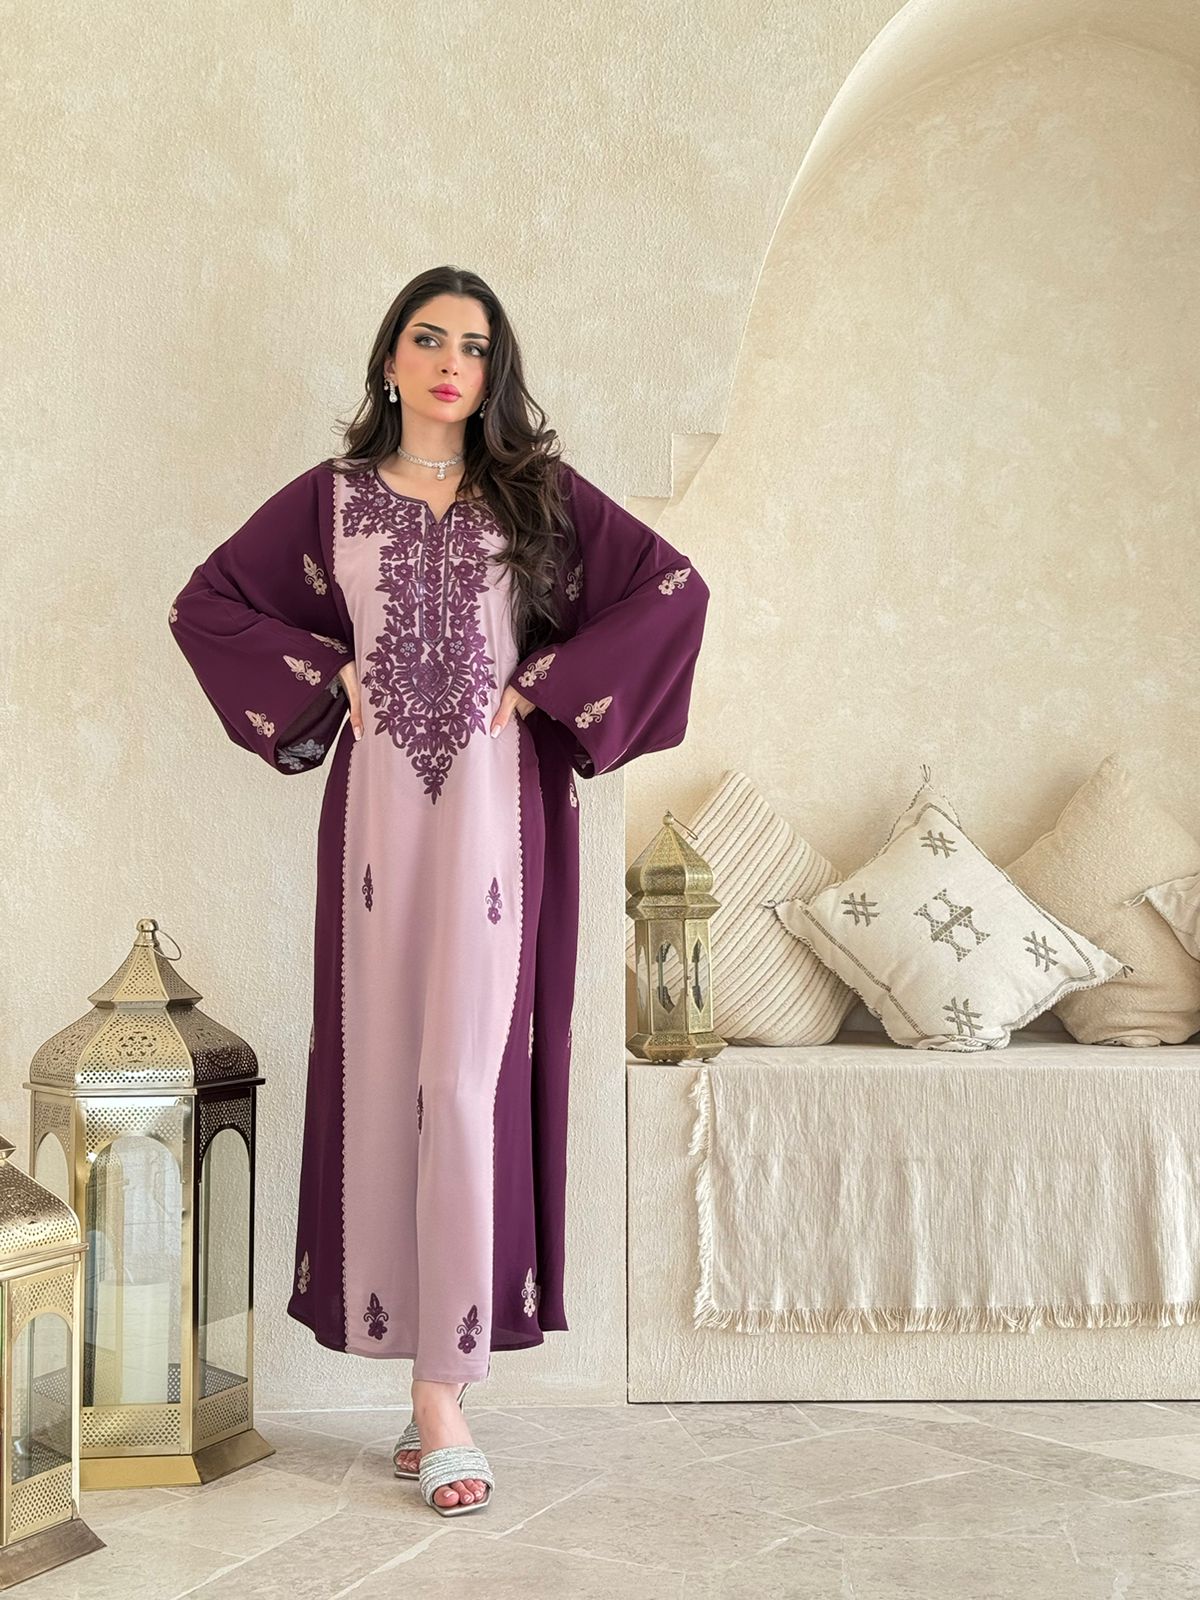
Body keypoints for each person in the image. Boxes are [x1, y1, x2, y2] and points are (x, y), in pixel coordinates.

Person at [169, 265, 710, 1516]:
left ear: (492, 370)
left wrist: (544, 684)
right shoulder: (332, 502)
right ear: (392, 360)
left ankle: (442, 1391)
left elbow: (672, 592)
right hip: (378, 828)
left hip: (493, 826)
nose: (451, 361)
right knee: (382, 1068)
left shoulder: (537, 501)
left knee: (466, 1078)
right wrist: (331, 674)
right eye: (429, 338)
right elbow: (208, 605)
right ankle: (423, 1383)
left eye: (473, 344)